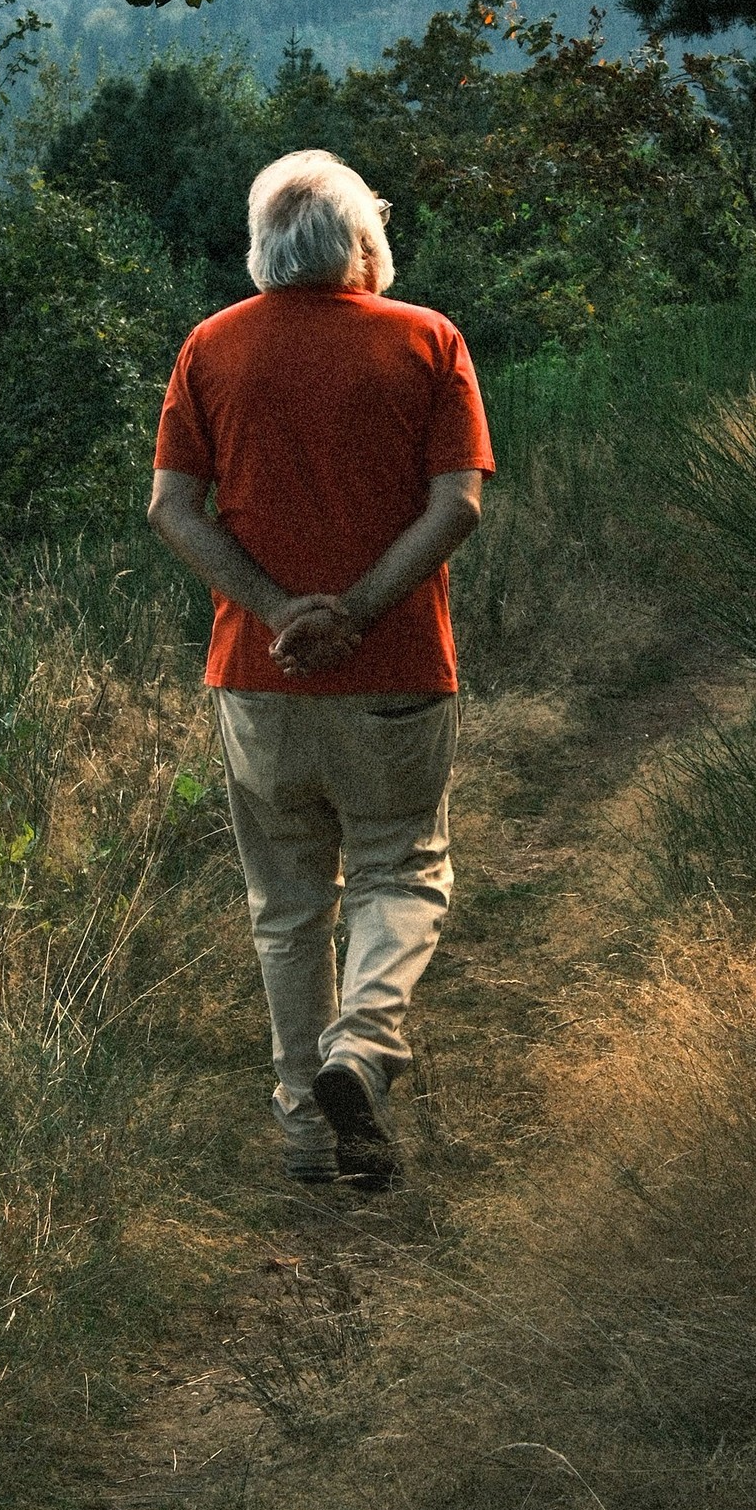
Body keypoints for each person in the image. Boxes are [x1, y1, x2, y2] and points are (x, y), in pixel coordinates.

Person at [148, 149, 494, 1186]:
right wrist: (357, 613)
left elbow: (171, 507)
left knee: (288, 906)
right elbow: (457, 504)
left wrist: (276, 614)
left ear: (262, 247)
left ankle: (307, 1132)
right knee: (401, 868)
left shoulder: (211, 347)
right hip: (395, 672)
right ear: (364, 243)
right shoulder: (428, 340)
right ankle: (362, 1047)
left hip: (258, 679)